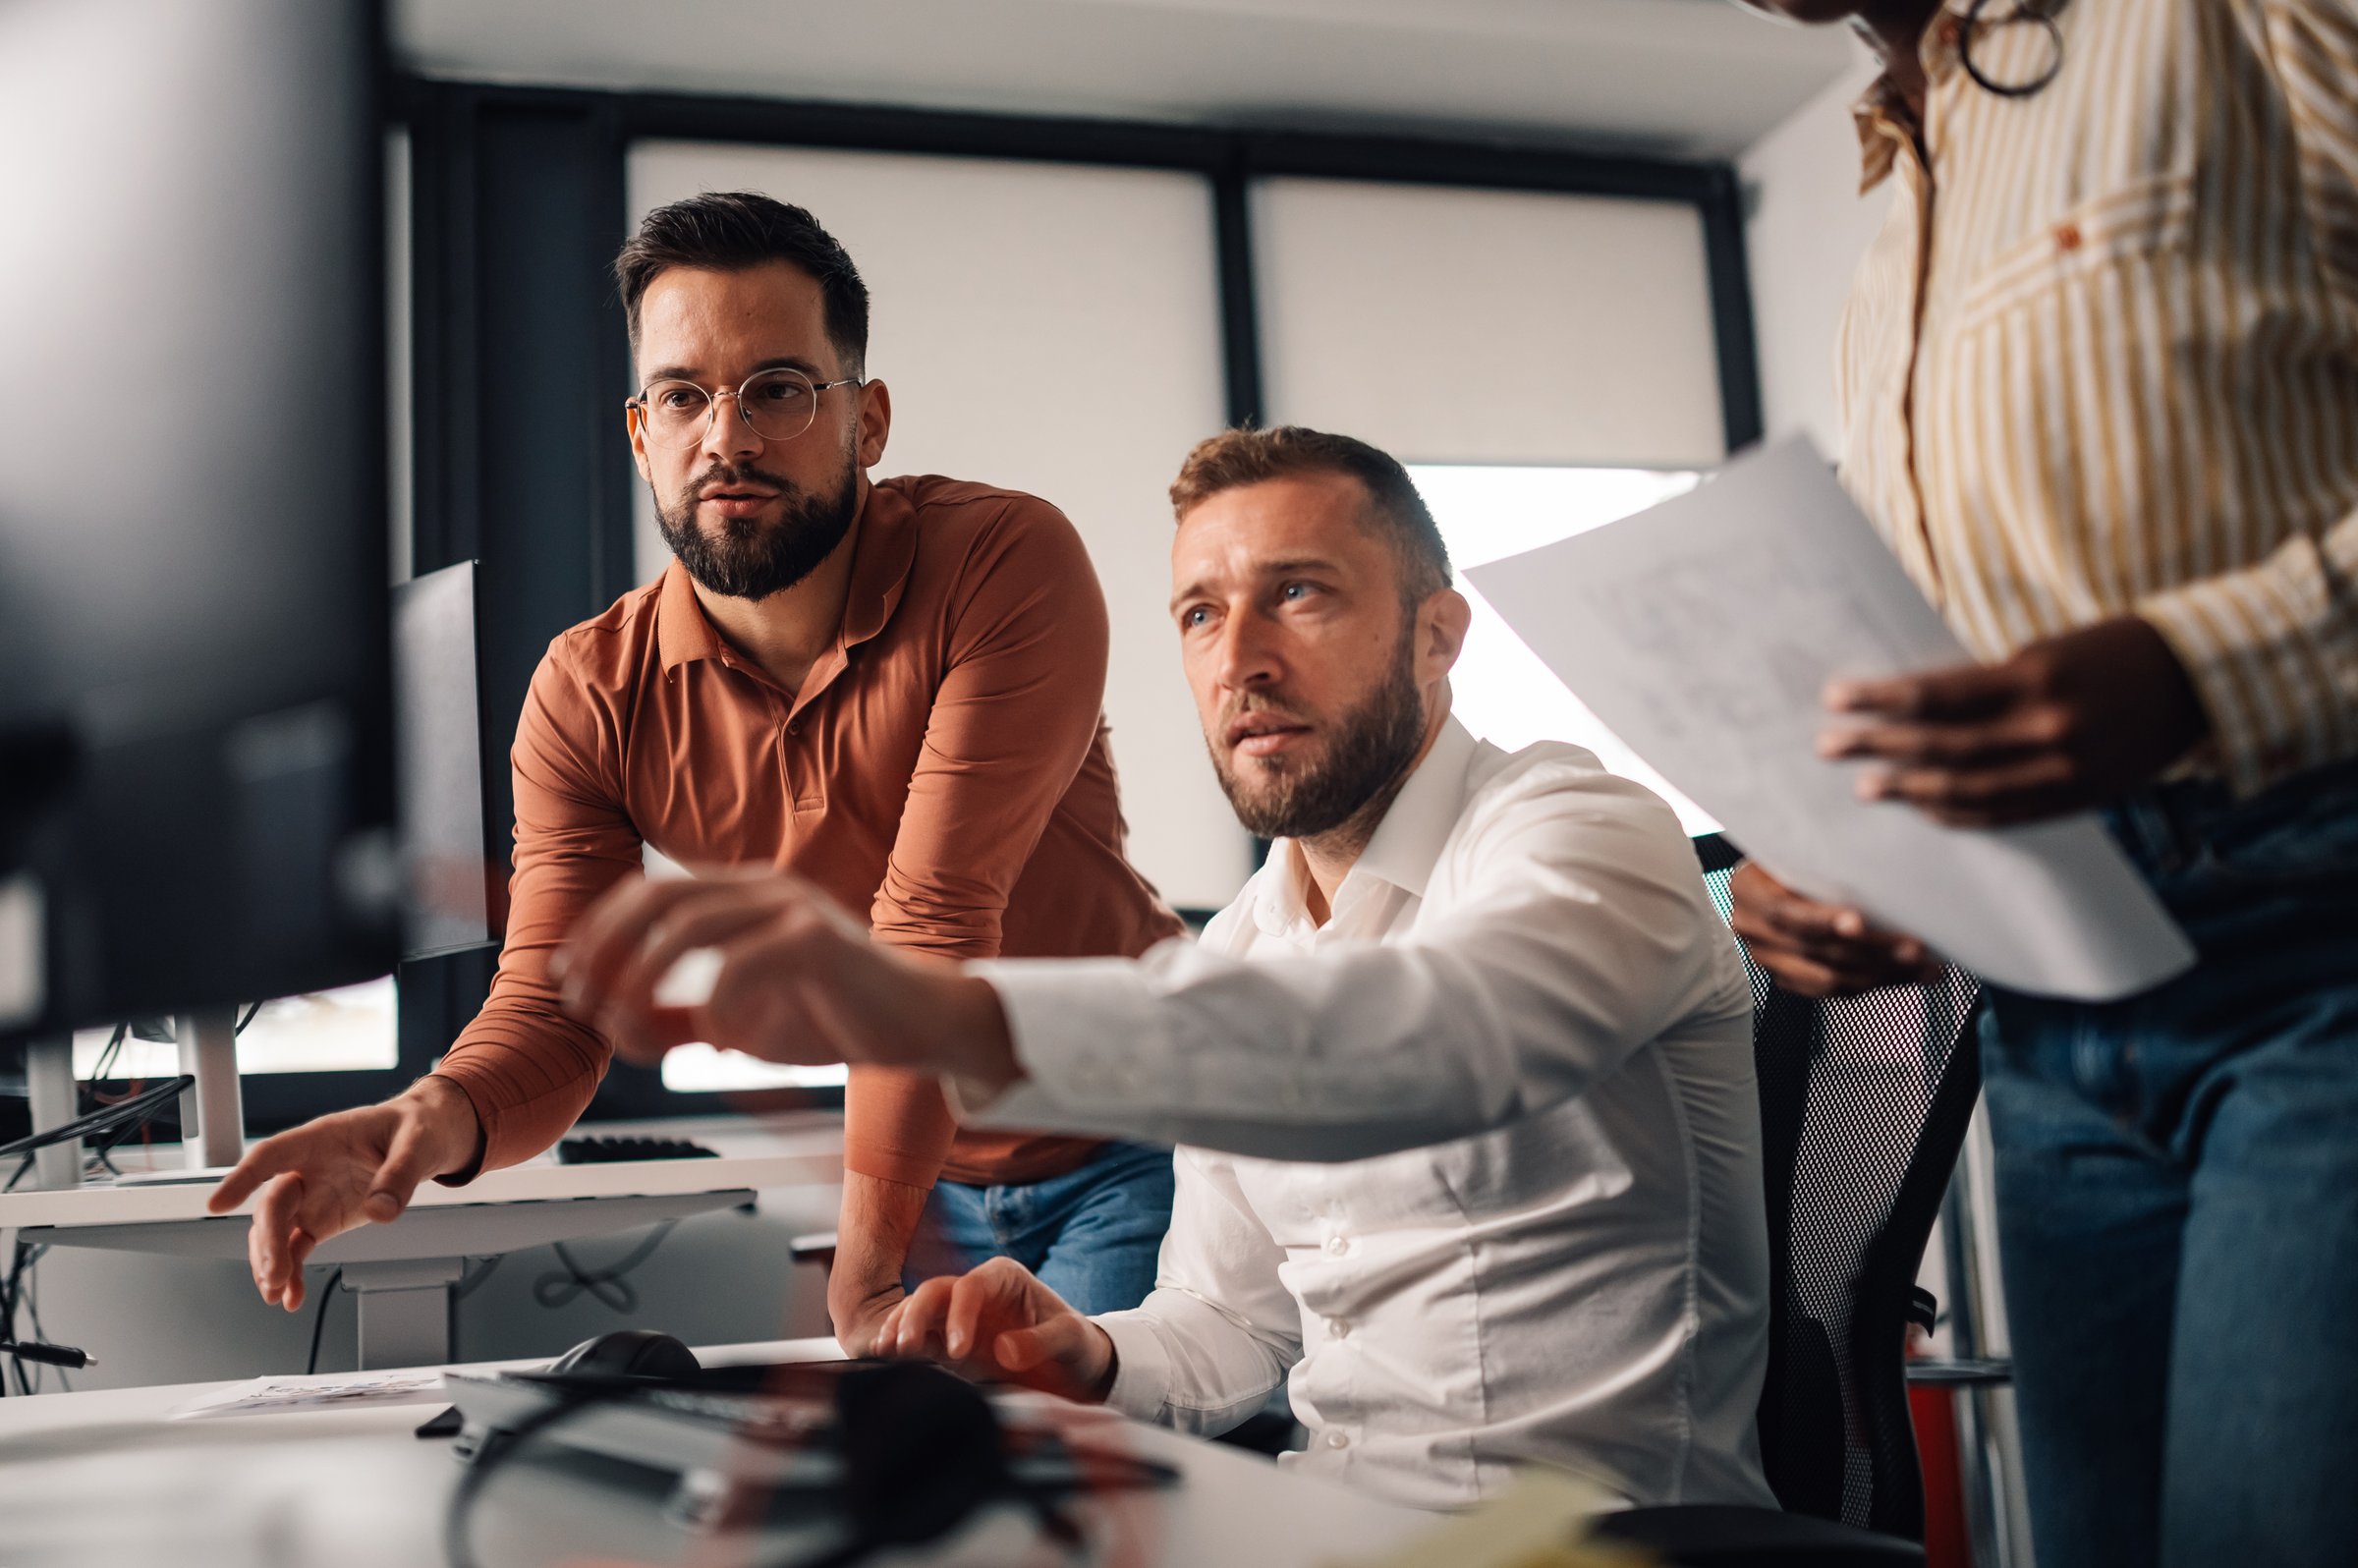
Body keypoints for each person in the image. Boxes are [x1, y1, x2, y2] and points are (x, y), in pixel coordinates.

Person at [555, 427, 1776, 1513]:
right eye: (1200, 612)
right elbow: (1233, 1318)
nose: (1238, 658)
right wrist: (1084, 1351)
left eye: (1297, 594)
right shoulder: (1247, 937)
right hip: (1333, 1524)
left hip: (1605, 1538)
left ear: (1437, 635)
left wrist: (929, 1005)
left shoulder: (1585, 827)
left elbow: (1436, 1044)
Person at [207, 193, 1185, 1346]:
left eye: (777, 390)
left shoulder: (1003, 561)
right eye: (685, 396)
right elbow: (557, 1007)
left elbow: (929, 932)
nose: (728, 438)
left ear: (867, 421)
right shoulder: (591, 691)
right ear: (641, 435)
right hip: (926, 1178)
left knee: (1120, 1488)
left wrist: (861, 1279)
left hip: (1142, 1134)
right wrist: (427, 1117)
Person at [1722, 4, 2358, 1564]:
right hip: (2060, 1023)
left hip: (2318, 942)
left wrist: (2207, 663)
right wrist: (1853, 851)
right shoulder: (1900, 212)